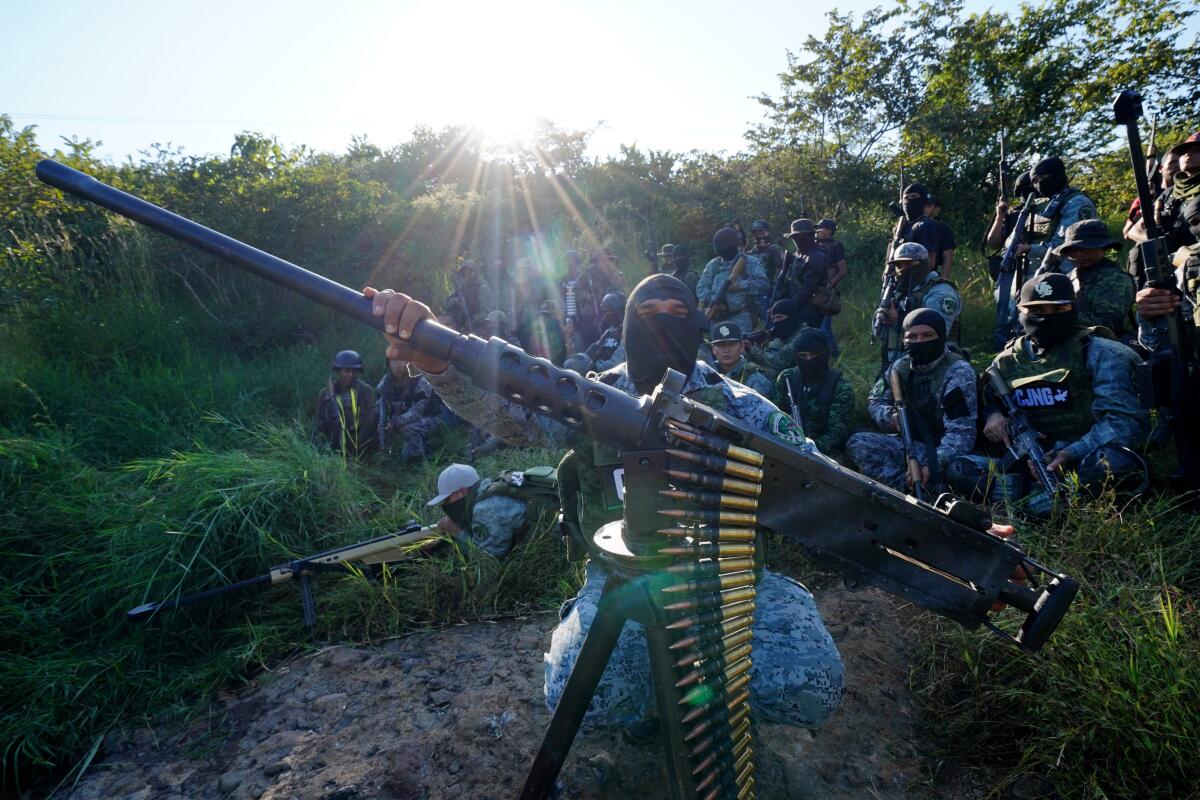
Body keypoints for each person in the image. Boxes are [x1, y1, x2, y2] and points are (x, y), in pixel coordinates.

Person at [365, 275, 844, 731]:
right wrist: (436, 361)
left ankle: (715, 715)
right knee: (587, 701)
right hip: (624, 582)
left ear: (696, 324)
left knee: (808, 687)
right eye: (649, 312)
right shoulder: (594, 397)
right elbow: (509, 413)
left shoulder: (743, 405)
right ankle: (656, 710)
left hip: (732, 579)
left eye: (678, 312)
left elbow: (821, 485)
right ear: (628, 324)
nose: (663, 322)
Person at [948, 274, 1149, 515]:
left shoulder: (1103, 354)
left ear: (1073, 309)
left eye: (1057, 308)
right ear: (1020, 311)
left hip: (1084, 459)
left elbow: (1123, 424)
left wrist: (1068, 453)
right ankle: (1026, 500)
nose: (1045, 316)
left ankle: (1058, 503)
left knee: (1116, 464)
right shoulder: (1008, 360)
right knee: (959, 468)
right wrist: (993, 416)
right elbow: (988, 397)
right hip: (1027, 461)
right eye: (1035, 309)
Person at [847, 309, 977, 495]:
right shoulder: (899, 368)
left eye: (927, 335)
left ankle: (929, 488)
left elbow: (962, 435)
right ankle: (903, 490)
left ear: (941, 336)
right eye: (912, 337)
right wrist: (892, 417)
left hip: (944, 448)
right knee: (858, 442)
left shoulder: (958, 373)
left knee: (956, 471)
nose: (919, 341)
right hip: (910, 442)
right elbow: (875, 401)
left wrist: (931, 464)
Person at [427, 463, 559, 559]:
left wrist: (457, 532)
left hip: (557, 543)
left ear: (461, 492)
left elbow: (490, 560)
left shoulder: (485, 509)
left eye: (447, 499)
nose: (445, 504)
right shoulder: (490, 487)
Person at [877, 242, 963, 365]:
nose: (903, 269)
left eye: (909, 264)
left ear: (923, 264)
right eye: (899, 265)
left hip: (938, 362)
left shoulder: (941, 292)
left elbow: (935, 331)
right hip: (900, 362)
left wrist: (897, 320)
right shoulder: (902, 291)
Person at [773, 328, 855, 457]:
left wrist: (810, 448)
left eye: (814, 355)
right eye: (803, 356)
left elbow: (838, 432)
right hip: (788, 446)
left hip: (825, 453)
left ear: (825, 354)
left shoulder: (840, 387)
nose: (809, 360)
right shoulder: (787, 378)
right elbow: (775, 416)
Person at [1053, 220, 1135, 337]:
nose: (1080, 254)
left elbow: (1107, 326)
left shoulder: (1115, 279)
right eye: (1074, 250)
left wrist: (1058, 315)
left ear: (1103, 248)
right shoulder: (1069, 276)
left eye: (1087, 249)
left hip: (1104, 347)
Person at [1024, 156, 1099, 276]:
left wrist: (1028, 249)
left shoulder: (1077, 203)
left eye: (1038, 179)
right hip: (1047, 273)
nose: (1036, 185)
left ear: (1053, 176)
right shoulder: (1048, 203)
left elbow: (1063, 244)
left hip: (1073, 274)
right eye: (1033, 182)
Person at [697, 226, 769, 333]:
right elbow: (701, 287)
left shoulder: (750, 262)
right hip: (716, 319)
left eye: (726, 250)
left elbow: (764, 284)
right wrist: (712, 301)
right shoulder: (714, 265)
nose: (724, 253)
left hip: (740, 318)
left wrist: (740, 285)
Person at [376, 359, 443, 461]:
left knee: (409, 429)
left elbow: (417, 412)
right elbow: (380, 407)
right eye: (393, 362)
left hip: (431, 419)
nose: (397, 366)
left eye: (401, 361)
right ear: (388, 364)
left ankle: (418, 462)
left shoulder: (420, 381)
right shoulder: (385, 383)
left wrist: (396, 422)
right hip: (401, 421)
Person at [315, 349, 378, 458]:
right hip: (334, 437)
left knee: (373, 415)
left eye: (354, 371)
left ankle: (358, 454)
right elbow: (318, 420)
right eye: (346, 371)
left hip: (357, 437)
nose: (350, 375)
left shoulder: (365, 391)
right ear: (338, 371)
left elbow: (369, 420)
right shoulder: (326, 392)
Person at [778, 218, 831, 329]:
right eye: (794, 237)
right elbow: (789, 282)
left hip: (810, 310)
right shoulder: (799, 255)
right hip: (798, 308)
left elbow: (807, 290)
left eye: (801, 236)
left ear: (811, 235)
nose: (797, 240)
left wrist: (788, 309)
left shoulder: (816, 257)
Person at [748, 298, 809, 383]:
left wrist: (752, 349)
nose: (776, 321)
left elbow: (778, 362)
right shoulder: (778, 335)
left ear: (791, 315)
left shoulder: (804, 335)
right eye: (773, 318)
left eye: (779, 317)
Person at [708, 321, 773, 396]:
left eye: (731, 344)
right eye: (720, 345)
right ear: (713, 349)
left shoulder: (755, 377)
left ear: (742, 347)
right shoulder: (704, 373)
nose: (726, 350)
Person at [814, 218, 847, 352]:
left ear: (828, 231)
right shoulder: (814, 245)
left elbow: (843, 270)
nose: (816, 232)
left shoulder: (835, 246)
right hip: (813, 290)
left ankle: (834, 354)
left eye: (820, 229)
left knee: (824, 326)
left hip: (826, 292)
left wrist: (829, 285)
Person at [560, 249, 599, 353]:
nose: (570, 263)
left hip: (584, 318)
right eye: (568, 261)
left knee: (582, 345)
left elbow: (592, 296)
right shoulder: (562, 279)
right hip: (568, 316)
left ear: (577, 262)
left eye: (573, 260)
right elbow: (559, 298)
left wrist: (585, 296)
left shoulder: (584, 277)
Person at [583, 291, 627, 372]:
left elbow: (617, 362)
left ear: (621, 310)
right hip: (600, 373)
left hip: (616, 377)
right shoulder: (610, 330)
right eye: (605, 312)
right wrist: (581, 360)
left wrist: (594, 368)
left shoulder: (628, 332)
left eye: (610, 311)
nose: (607, 315)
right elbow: (595, 346)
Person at [447, 260, 496, 332]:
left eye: (469, 271)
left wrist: (473, 320)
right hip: (458, 327)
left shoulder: (482, 288)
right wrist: (455, 301)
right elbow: (446, 305)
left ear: (474, 272)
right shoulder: (461, 288)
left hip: (477, 328)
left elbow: (488, 312)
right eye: (464, 272)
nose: (466, 274)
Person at [926, 194, 956, 278]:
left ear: (937, 209)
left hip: (931, 275)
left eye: (928, 205)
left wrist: (944, 281)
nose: (924, 208)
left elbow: (948, 258)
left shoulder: (943, 229)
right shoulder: (910, 226)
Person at [748, 219, 785, 286]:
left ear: (767, 232)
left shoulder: (773, 250)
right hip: (753, 288)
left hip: (769, 287)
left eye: (761, 232)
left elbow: (780, 273)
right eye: (755, 232)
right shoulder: (750, 253)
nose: (758, 235)